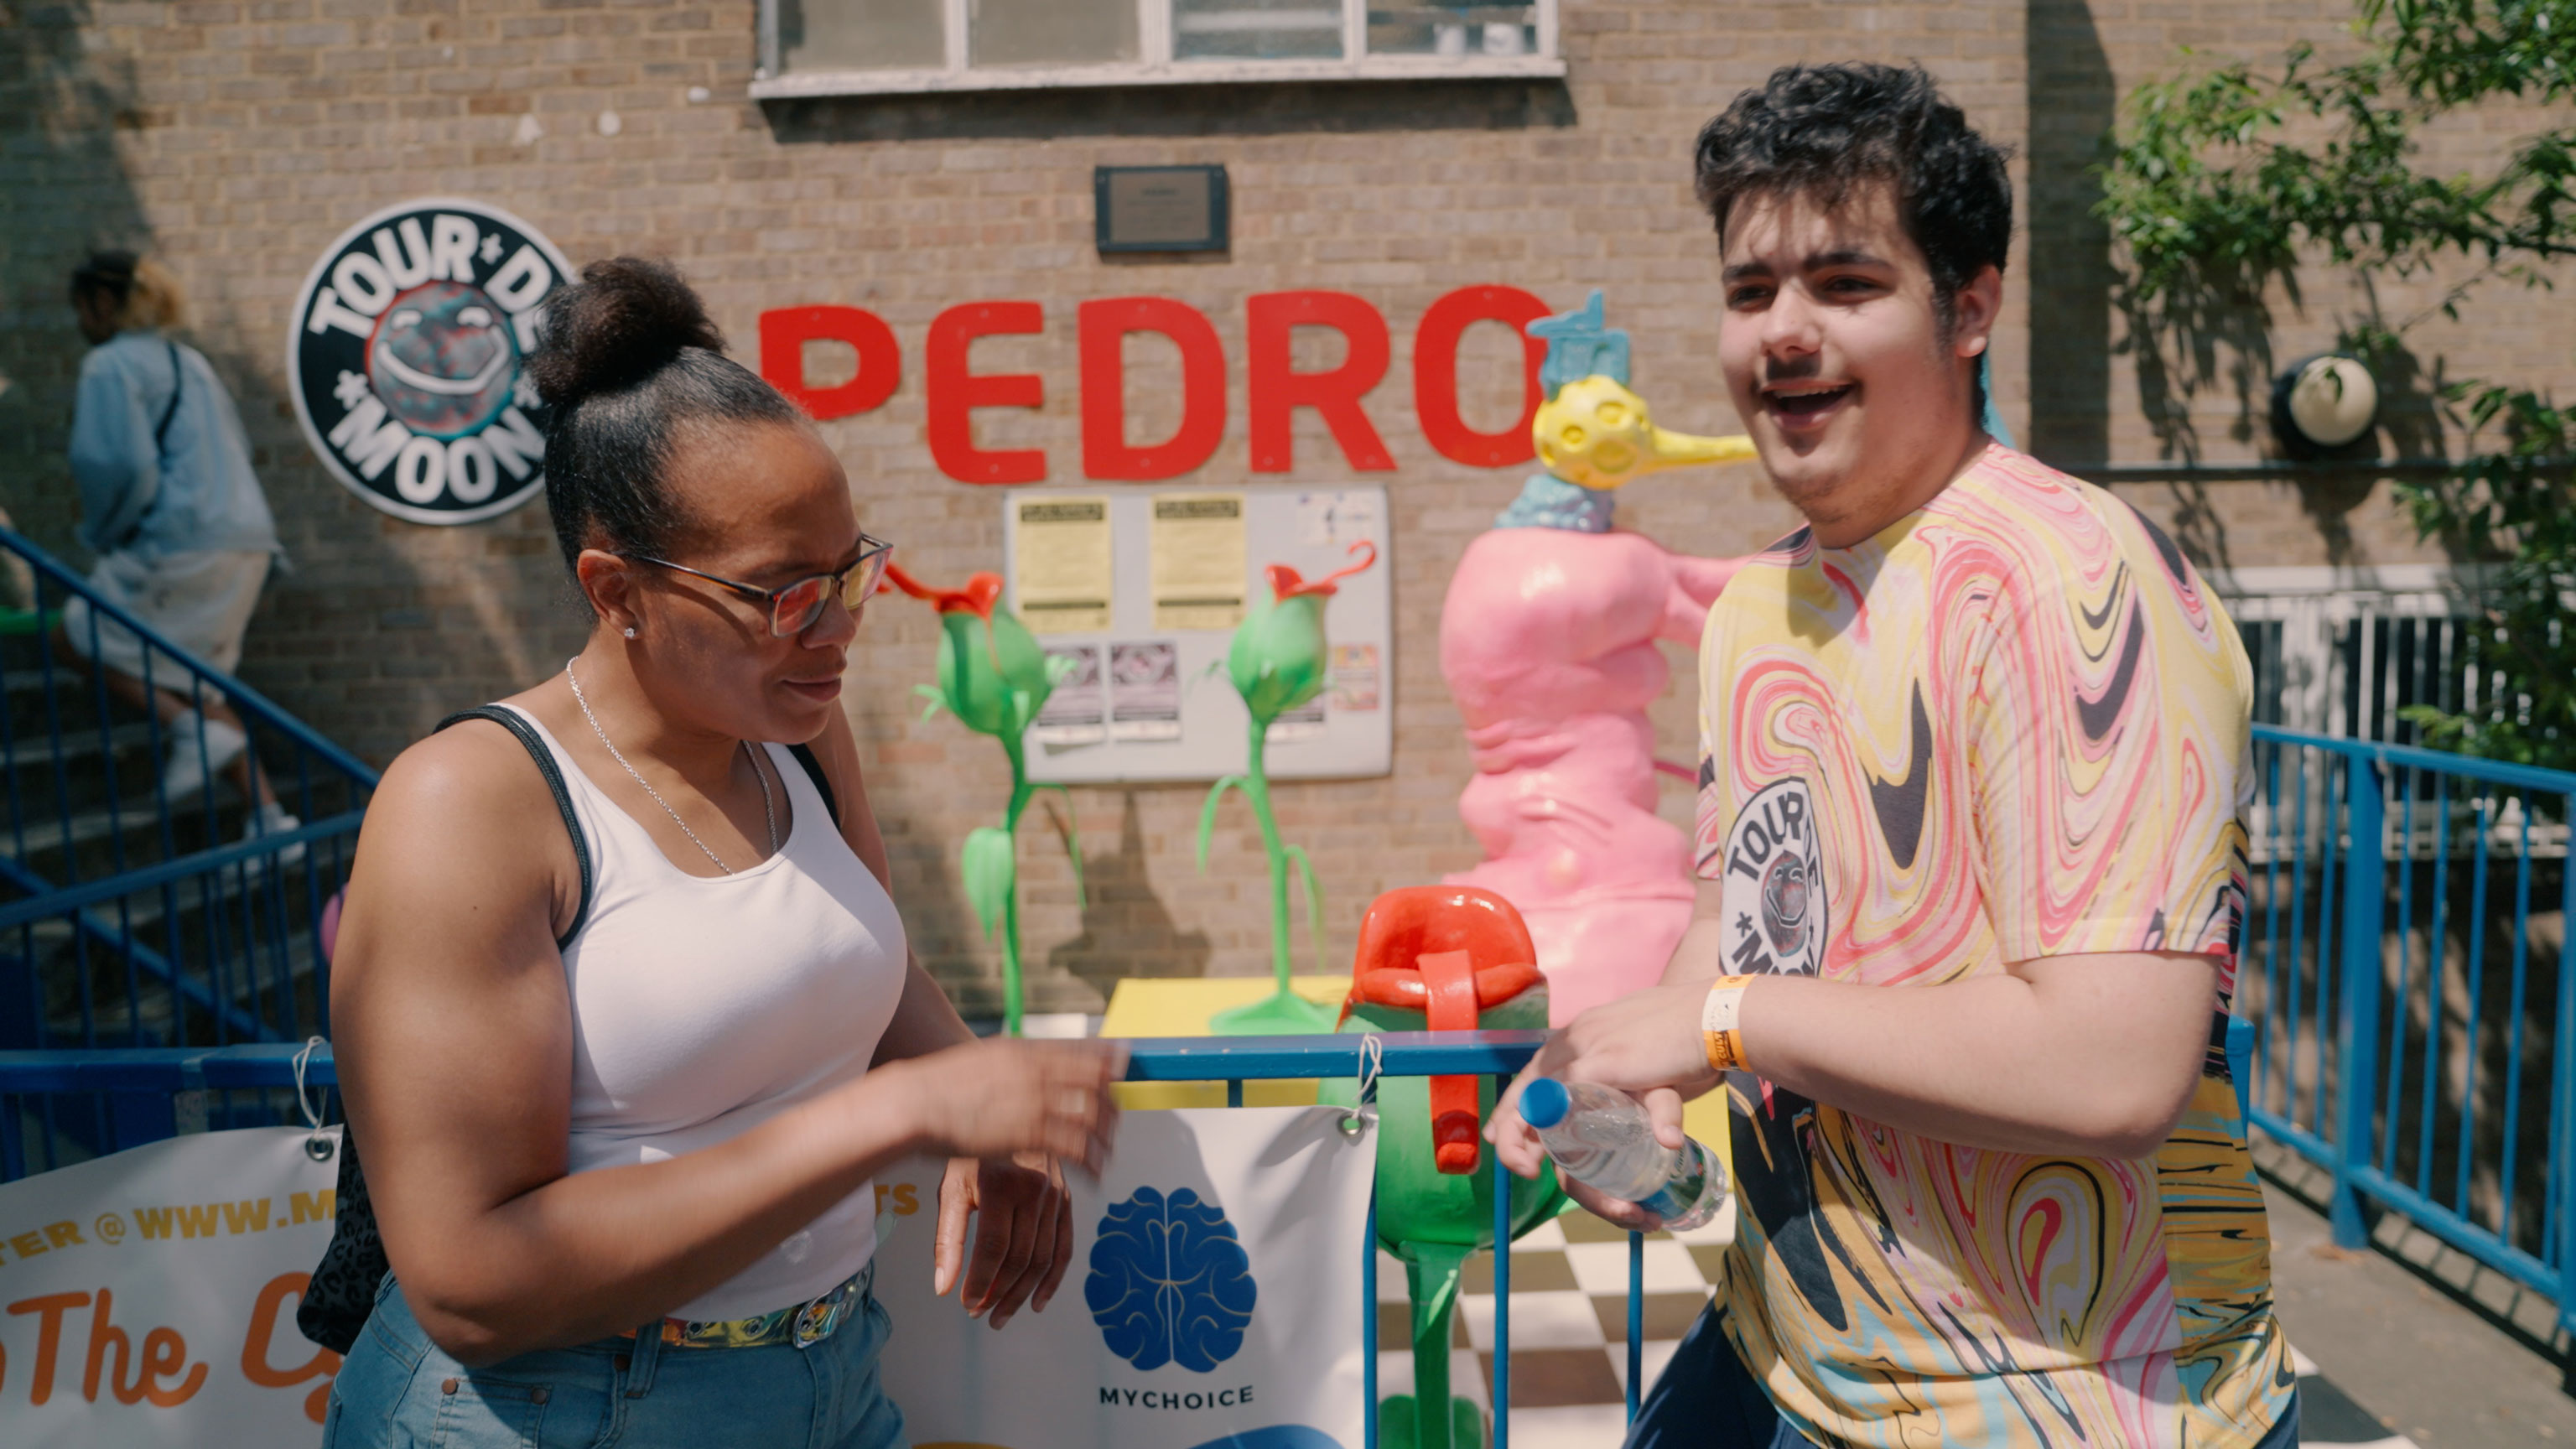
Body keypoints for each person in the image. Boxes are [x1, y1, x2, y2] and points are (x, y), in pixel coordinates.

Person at [1486, 65, 2300, 1449]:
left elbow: (2113, 1063)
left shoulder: (2072, 586)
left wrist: (1728, 1020)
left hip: (2070, 1402)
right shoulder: (1753, 606)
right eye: (1751, 295)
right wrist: (1634, 1069)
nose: (1782, 336)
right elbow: (1730, 926)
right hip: (1791, 1348)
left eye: (1844, 283)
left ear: (1967, 307)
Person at [322, 257, 1124, 1446]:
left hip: (829, 1375)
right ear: (616, 589)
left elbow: (866, 960)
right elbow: (473, 1282)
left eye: (852, 570)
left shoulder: (793, 727)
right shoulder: (469, 804)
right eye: (781, 593)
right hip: (555, 1410)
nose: (841, 627)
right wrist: (902, 1113)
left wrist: (981, 1109)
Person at [61, 251, 295, 839]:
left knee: (74, 635)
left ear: (104, 303)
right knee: (197, 683)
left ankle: (188, 731)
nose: (80, 321)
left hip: (181, 542)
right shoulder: (189, 362)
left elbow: (117, 465)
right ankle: (271, 820)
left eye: (82, 307)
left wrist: (105, 535)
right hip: (244, 543)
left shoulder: (108, 364)